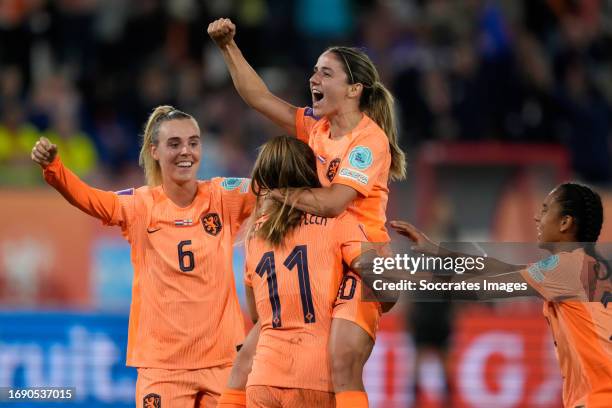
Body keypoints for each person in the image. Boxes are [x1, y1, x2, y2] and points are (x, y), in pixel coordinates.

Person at [208, 18, 406, 408]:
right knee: (249, 355)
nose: (313, 77)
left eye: (325, 72)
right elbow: (260, 98)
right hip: (318, 249)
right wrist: (228, 47)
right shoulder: (318, 126)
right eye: (314, 70)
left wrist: (277, 192)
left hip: (360, 258)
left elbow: (334, 203)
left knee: (342, 361)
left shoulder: (368, 141)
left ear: (354, 89)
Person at [31, 105, 255, 407]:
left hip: (224, 363)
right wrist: (55, 169)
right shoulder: (139, 206)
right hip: (163, 369)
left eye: (193, 142)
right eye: (174, 144)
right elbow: (89, 198)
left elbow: (273, 185)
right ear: (155, 151)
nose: (185, 151)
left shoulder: (223, 195)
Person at [391, 183, 612, 408]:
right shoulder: (595, 268)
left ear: (565, 222)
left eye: (546, 209)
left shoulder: (563, 268)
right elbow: (503, 269)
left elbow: (491, 284)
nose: (537, 217)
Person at [244, 135, 369, 407]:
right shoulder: (338, 221)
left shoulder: (254, 235)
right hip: (317, 379)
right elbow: (383, 283)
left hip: (263, 379)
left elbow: (257, 315)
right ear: (313, 174)